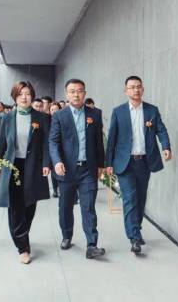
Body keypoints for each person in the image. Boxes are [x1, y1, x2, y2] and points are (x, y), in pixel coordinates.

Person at [106, 76, 171, 254]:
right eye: (132, 87)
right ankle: (134, 237)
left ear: (143, 89)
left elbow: (161, 130)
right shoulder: (118, 112)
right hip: (125, 163)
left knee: (141, 198)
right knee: (130, 198)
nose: (135, 90)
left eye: (138, 87)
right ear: (126, 91)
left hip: (144, 162)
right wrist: (108, 163)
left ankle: (137, 228)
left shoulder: (151, 110)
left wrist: (166, 146)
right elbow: (111, 139)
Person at [0, 81, 52, 264]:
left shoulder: (41, 118)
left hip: (33, 165)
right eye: (20, 94)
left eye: (27, 93)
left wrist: (47, 163)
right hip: (12, 166)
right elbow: (0, 144)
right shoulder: (7, 118)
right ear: (15, 97)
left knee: (29, 204)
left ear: (32, 95)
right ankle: (23, 247)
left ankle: (22, 234)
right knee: (15, 205)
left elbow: (47, 144)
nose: (24, 97)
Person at [49, 79, 106, 259]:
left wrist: (101, 165)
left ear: (85, 93)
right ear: (67, 94)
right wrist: (57, 161)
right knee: (65, 206)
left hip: (88, 170)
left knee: (88, 207)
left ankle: (92, 245)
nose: (76, 94)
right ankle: (67, 235)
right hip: (66, 170)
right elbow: (53, 141)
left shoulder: (95, 114)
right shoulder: (59, 116)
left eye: (79, 91)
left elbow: (99, 142)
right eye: (72, 91)